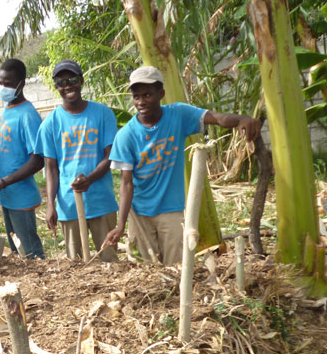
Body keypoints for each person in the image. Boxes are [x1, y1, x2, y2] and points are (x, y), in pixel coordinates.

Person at [105, 66, 261, 266]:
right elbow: (126, 184)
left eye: (147, 95)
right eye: (136, 97)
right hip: (140, 212)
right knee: (145, 270)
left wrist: (242, 119)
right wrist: (121, 224)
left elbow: (216, 118)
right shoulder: (126, 136)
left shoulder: (178, 115)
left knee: (176, 267)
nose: (141, 102)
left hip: (171, 208)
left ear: (160, 94)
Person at [35, 61, 119, 263]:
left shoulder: (103, 113)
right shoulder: (50, 124)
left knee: (109, 263)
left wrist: (89, 179)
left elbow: (110, 156)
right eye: (62, 82)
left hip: (101, 202)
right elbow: (52, 169)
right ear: (56, 86)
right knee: (76, 266)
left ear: (81, 81)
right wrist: (50, 205)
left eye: (72, 80)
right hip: (69, 204)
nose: (68, 86)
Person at [0, 58, 45, 259]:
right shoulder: (8, 108)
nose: (2, 87)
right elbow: (2, 139)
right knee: (16, 249)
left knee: (30, 251)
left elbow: (38, 160)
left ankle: (39, 282)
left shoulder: (28, 115)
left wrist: (3, 182)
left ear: (20, 84)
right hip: (7, 194)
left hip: (20, 197)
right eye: (0, 82)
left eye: (8, 83)